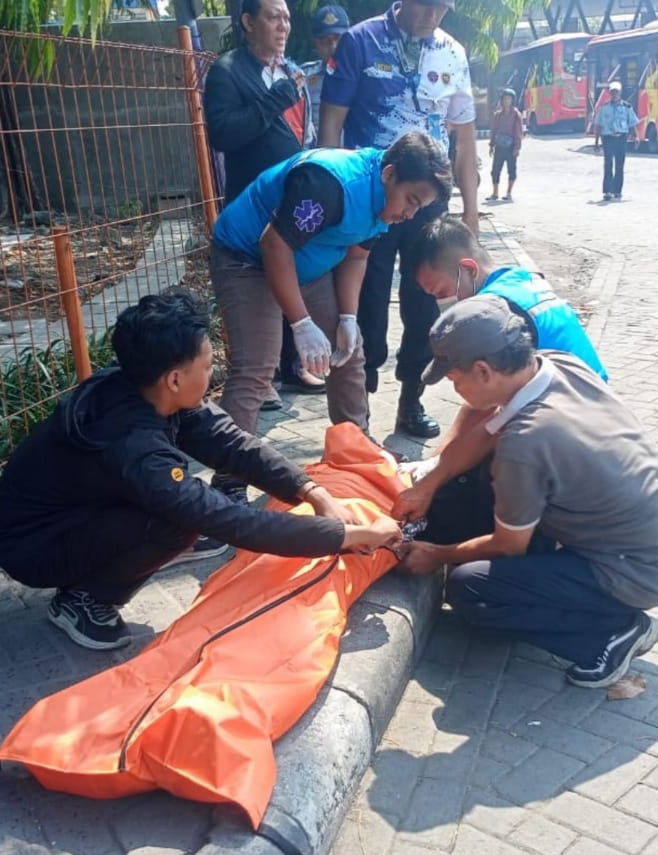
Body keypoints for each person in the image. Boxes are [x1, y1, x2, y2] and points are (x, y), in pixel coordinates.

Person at [0, 294, 401, 652]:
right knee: (179, 523)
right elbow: (231, 521)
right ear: (175, 379)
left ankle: (98, 568)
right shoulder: (133, 444)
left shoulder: (146, 389)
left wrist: (315, 493)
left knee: (182, 509)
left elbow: (234, 445)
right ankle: (84, 599)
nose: (212, 375)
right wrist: (348, 536)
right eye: (208, 365)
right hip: (33, 546)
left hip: (69, 515)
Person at [398, 295, 658, 689]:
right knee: (484, 477)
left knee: (470, 587)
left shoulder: (526, 443)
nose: (457, 390)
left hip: (631, 571)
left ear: (483, 371)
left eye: (454, 380)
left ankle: (608, 635)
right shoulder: (556, 365)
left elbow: (507, 547)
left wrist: (438, 555)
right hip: (634, 533)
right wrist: (428, 483)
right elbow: (489, 430)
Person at [209, 131, 451, 443]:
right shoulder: (329, 184)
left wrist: (348, 319)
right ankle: (230, 468)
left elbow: (356, 257)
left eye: (420, 207)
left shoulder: (384, 198)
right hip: (246, 258)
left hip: (309, 262)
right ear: (389, 174)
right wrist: (301, 322)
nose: (410, 214)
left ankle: (355, 451)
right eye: (411, 201)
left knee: (348, 351)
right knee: (256, 369)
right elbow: (274, 245)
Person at [319, 0, 479, 439]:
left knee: (425, 301)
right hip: (372, 199)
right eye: (426, 6)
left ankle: (411, 400)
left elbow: (465, 139)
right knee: (366, 302)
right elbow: (331, 122)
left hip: (429, 204)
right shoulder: (360, 41)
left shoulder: (452, 53)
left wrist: (470, 209)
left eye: (442, 9)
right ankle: (361, 410)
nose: (432, 17)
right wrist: (332, 195)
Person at [394, 216, 607, 515]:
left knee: (480, 479)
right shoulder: (518, 279)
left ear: (468, 269)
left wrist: (437, 473)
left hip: (572, 428)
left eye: (442, 293)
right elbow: (480, 399)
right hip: (592, 402)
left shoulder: (494, 312)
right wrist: (437, 461)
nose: (441, 304)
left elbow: (488, 411)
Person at [202, 0, 322, 399]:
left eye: (286, 18)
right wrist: (275, 100)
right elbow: (223, 133)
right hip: (251, 203)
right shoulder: (228, 71)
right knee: (255, 283)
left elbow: (303, 134)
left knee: (290, 275)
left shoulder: (292, 71)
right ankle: (261, 377)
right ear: (248, 22)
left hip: (292, 199)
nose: (283, 25)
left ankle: (293, 366)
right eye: (273, 17)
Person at [300, 4, 350, 130]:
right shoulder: (303, 77)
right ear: (315, 43)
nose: (333, 47)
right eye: (325, 41)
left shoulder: (365, 75)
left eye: (338, 39)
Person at [593, 80, 640, 202]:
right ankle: (607, 191)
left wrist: (637, 136)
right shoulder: (604, 108)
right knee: (608, 164)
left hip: (621, 138)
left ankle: (617, 190)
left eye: (616, 92)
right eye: (612, 92)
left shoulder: (627, 107)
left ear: (620, 93)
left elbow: (633, 123)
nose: (614, 95)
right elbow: (598, 125)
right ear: (610, 93)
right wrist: (596, 142)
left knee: (619, 165)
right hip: (608, 138)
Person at [486, 88, 523, 202]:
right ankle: (495, 192)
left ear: (512, 100)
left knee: (511, 170)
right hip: (499, 146)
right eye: (505, 99)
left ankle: (509, 192)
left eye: (509, 99)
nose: (507, 101)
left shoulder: (516, 114)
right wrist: (491, 145)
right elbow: (494, 130)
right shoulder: (498, 115)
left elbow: (518, 132)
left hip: (511, 147)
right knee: (495, 170)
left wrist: (517, 147)